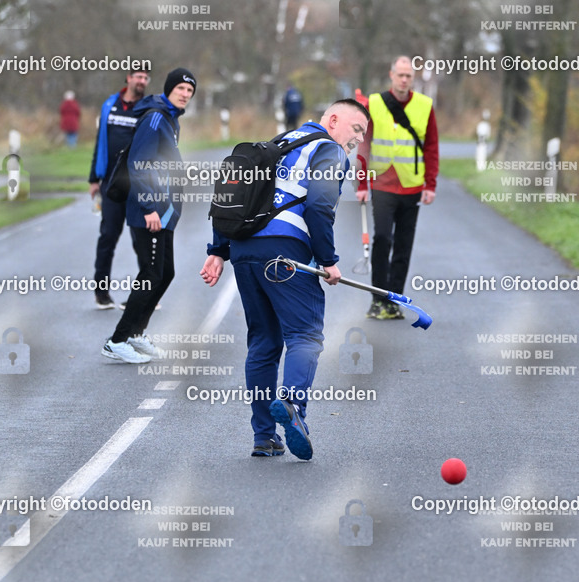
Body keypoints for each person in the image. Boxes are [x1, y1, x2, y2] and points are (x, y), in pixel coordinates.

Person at [199, 99, 370, 459]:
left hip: (244, 251)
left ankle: (264, 436)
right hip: (284, 252)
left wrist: (218, 250)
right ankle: (293, 405)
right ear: (333, 120)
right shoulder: (329, 150)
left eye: (363, 135)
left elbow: (233, 195)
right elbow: (319, 205)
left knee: (263, 342)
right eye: (356, 129)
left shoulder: (277, 143)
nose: (358, 140)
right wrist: (329, 260)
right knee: (305, 334)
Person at [101, 68, 196, 364]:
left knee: (165, 273)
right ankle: (117, 340)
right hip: (149, 211)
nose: (185, 94)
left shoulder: (169, 119)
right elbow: (138, 164)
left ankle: (135, 333)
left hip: (163, 211)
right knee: (151, 274)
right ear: (169, 89)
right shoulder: (155, 118)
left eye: (190, 91)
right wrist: (149, 207)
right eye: (180, 88)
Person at [355, 56, 439, 319]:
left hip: (411, 186)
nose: (404, 80)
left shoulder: (424, 106)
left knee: (403, 246)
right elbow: (364, 144)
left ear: (413, 79)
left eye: (408, 76)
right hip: (381, 184)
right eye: (400, 75)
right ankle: (377, 299)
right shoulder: (375, 103)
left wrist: (430, 184)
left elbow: (431, 147)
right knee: (382, 239)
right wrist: (362, 183)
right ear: (391, 75)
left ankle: (393, 301)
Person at [88, 70, 151, 309]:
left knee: (141, 240)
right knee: (107, 237)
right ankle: (101, 293)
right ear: (128, 78)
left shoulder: (148, 108)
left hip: (138, 185)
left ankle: (147, 294)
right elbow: (100, 141)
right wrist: (94, 178)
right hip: (111, 184)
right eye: (138, 76)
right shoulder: (110, 105)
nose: (142, 81)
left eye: (145, 77)